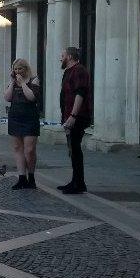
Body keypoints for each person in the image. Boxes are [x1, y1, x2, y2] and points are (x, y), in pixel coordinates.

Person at [58, 47, 92, 194]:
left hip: (77, 116)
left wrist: (73, 116)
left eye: (63, 55)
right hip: (69, 115)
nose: (61, 58)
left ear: (70, 57)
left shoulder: (79, 71)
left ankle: (79, 184)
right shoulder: (68, 71)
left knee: (76, 150)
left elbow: (80, 93)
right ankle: (76, 181)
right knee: (73, 150)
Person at [4, 58, 41, 189]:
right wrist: (12, 83)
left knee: (30, 150)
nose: (18, 71)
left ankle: (31, 176)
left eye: (20, 69)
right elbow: (7, 98)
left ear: (26, 69)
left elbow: (32, 97)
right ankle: (21, 178)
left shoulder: (34, 80)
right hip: (15, 117)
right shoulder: (13, 82)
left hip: (30, 118)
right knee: (17, 148)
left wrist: (23, 84)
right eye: (15, 69)